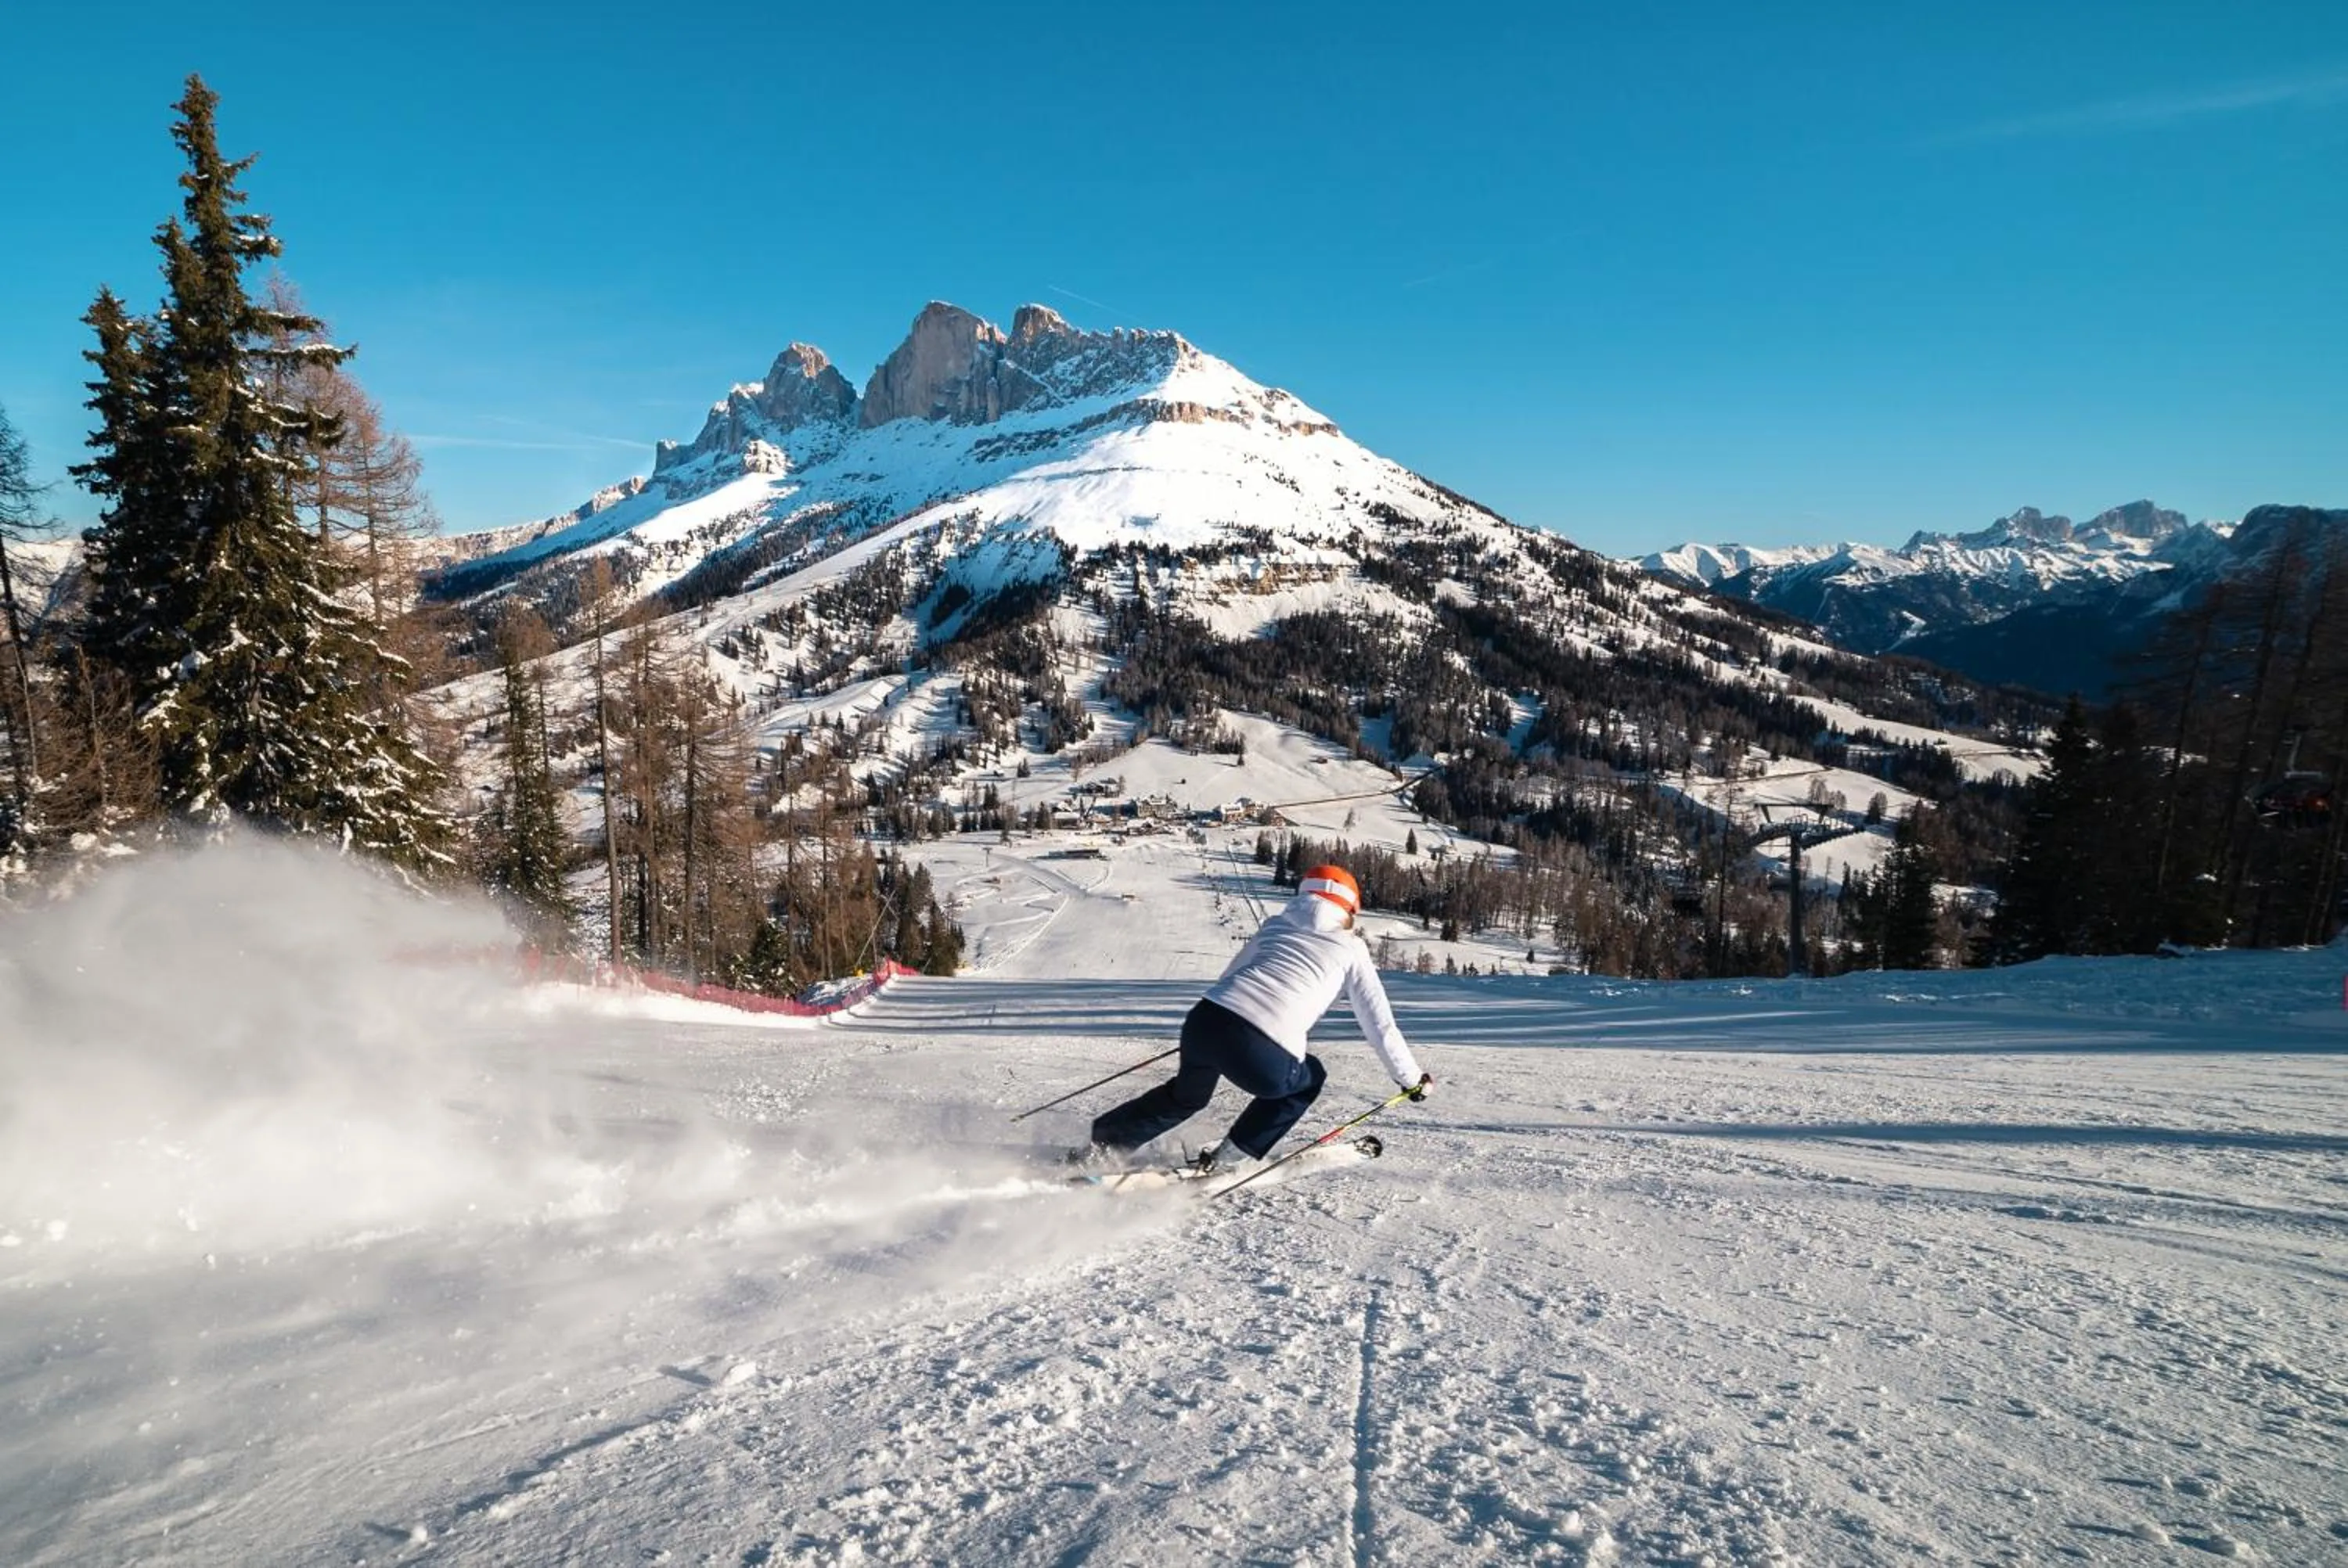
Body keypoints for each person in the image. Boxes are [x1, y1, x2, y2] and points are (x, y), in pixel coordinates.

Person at [1080, 863, 1433, 1173]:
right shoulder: (1351, 948)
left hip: (1206, 1021)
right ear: (1349, 909)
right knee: (1308, 1080)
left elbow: (1230, 976)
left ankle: (1103, 1149)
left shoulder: (1274, 927)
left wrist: (1217, 1036)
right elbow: (1379, 1024)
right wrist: (1411, 1079)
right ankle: (1230, 1159)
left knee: (1185, 1098)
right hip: (1260, 1049)